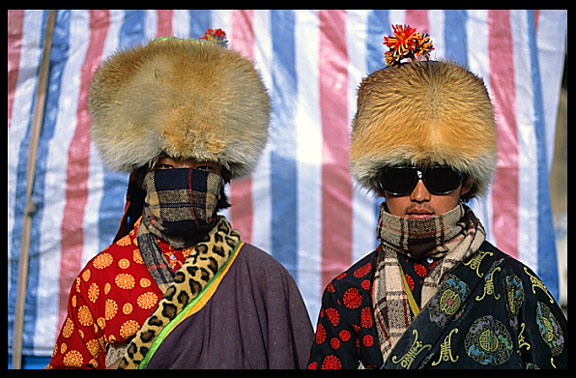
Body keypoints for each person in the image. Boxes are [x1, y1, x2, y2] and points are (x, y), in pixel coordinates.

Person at [47, 29, 313, 369]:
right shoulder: (102, 278)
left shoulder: (266, 282)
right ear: (143, 175)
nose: (186, 181)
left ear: (223, 178)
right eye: (168, 166)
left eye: (202, 167)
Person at [307, 25, 567, 369]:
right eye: (399, 177)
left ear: (466, 183)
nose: (419, 194)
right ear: (379, 182)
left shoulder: (515, 288)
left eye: (440, 176)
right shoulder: (347, 296)